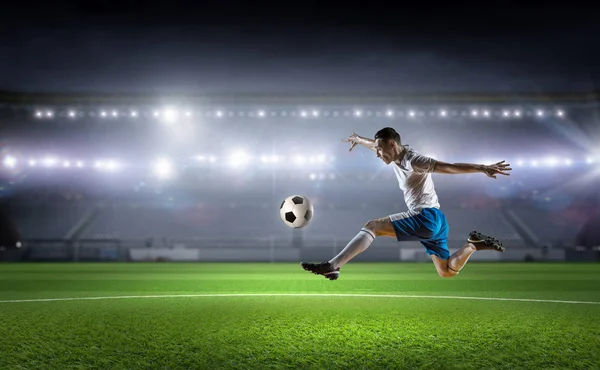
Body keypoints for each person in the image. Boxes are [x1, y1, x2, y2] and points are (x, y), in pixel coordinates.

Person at [301, 127, 512, 280]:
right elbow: (376, 144)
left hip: (425, 218)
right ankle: (472, 245)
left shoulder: (414, 160)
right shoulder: (394, 156)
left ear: (392, 144)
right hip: (438, 219)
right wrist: (359, 139)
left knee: (372, 226)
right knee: (446, 272)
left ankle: (333, 265)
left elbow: (448, 167)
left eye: (380, 149)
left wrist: (482, 168)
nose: (377, 154)